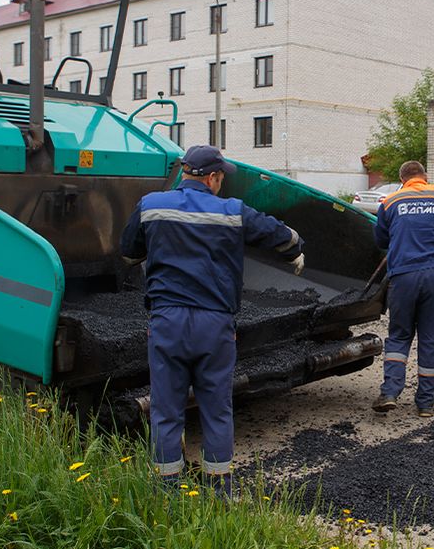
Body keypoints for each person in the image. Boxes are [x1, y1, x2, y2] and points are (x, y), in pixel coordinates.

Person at [120, 145, 304, 497]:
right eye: (221, 178)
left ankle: (168, 493)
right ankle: (220, 491)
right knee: (217, 410)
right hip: (214, 324)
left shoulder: (151, 205)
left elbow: (129, 253)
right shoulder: (232, 212)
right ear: (212, 177)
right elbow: (278, 233)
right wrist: (296, 249)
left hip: (167, 321)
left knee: (166, 410)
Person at [372, 159, 434, 417]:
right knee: (429, 337)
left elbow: (380, 239)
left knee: (400, 334)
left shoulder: (390, 201)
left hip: (403, 275)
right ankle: (425, 403)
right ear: (424, 177)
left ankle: (390, 391)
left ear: (402, 178)